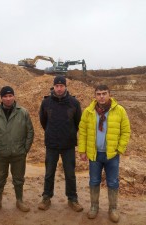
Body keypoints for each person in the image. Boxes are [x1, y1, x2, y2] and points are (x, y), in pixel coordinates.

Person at [78, 84, 131, 223]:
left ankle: (113, 209)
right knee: (94, 181)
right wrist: (82, 151)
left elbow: (126, 131)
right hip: (95, 155)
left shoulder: (119, 111)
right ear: (95, 96)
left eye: (104, 93)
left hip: (111, 155)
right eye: (98, 94)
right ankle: (94, 207)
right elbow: (82, 132)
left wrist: (119, 149)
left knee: (113, 182)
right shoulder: (89, 111)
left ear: (109, 94)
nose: (101, 96)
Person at [0, 86, 34, 214]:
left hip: (18, 153)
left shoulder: (23, 113)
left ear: (14, 96)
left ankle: (19, 201)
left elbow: (30, 132)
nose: (8, 99)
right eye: (5, 96)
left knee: (19, 179)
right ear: (1, 98)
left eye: (10, 96)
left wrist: (25, 149)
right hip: (0, 154)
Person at [38, 75, 83, 212]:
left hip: (68, 145)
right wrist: (52, 133)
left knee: (70, 174)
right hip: (51, 144)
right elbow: (43, 122)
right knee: (49, 172)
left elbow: (78, 123)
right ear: (53, 87)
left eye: (61, 86)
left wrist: (68, 134)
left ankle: (72, 199)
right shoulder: (46, 103)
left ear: (65, 87)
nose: (59, 88)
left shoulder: (74, 103)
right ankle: (46, 198)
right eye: (57, 86)